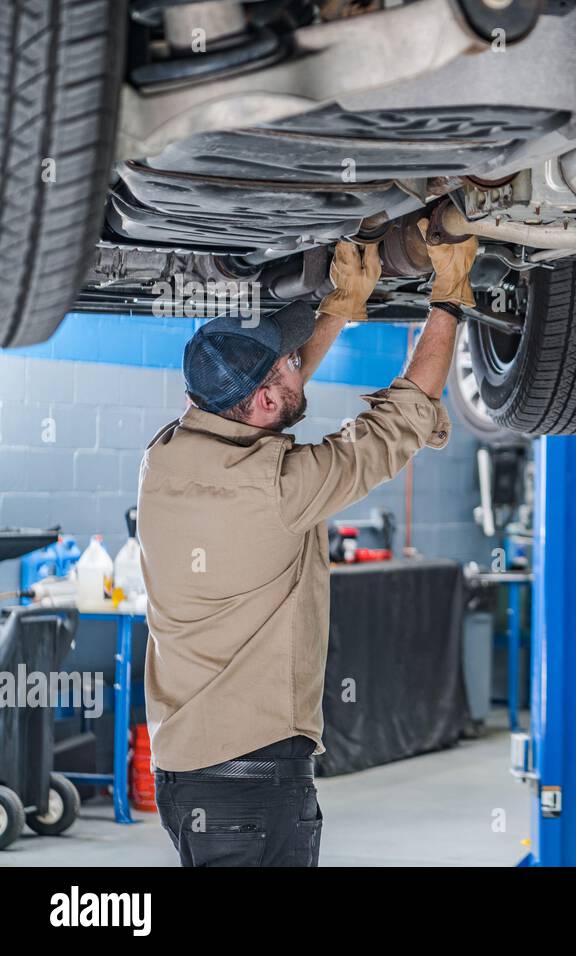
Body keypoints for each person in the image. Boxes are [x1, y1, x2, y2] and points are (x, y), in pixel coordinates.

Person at [137, 235, 477, 866]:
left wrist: (339, 311)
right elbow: (399, 421)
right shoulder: (281, 489)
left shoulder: (163, 459)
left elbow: (267, 402)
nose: (301, 360)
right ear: (264, 399)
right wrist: (449, 298)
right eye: (293, 361)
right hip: (250, 789)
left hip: (192, 779)